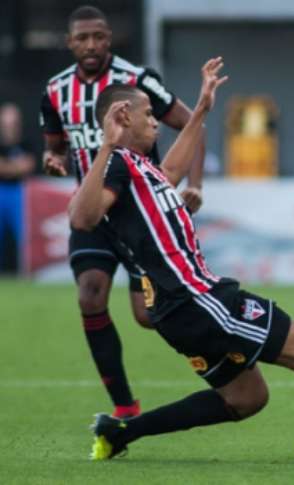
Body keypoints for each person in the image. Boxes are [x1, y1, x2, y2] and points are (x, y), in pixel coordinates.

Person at [71, 57, 294, 464]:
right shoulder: (116, 163)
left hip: (179, 309)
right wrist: (106, 144)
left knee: (246, 397)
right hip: (197, 299)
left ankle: (121, 432)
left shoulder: (142, 169)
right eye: (148, 115)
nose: (156, 122)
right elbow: (82, 218)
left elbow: (172, 168)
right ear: (122, 117)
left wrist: (203, 107)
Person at [39, 5, 205, 418]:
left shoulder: (137, 80)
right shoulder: (55, 91)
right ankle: (124, 408)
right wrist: (53, 158)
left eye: (98, 36)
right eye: (83, 38)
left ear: (109, 38)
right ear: (69, 42)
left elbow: (189, 124)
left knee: (148, 316)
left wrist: (195, 184)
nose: (91, 45)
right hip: (94, 211)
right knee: (90, 293)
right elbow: (57, 143)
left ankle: (219, 351)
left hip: (140, 215)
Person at [0, 103, 35, 273]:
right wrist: (16, 167)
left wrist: (8, 167)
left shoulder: (26, 142)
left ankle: (27, 271)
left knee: (24, 233)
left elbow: (28, 166)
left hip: (20, 192)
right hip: (1, 191)